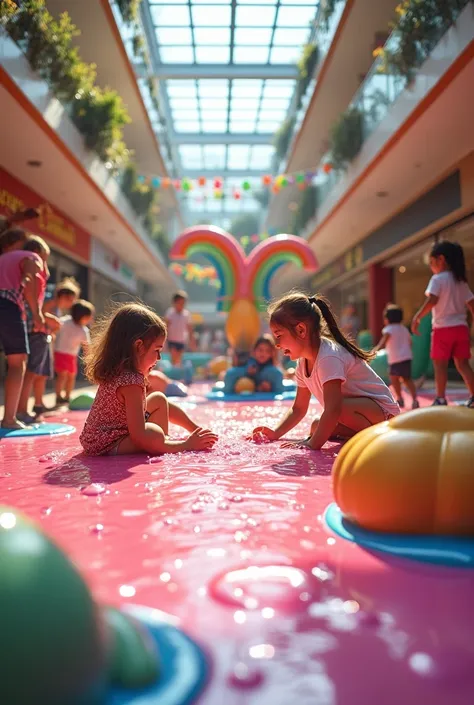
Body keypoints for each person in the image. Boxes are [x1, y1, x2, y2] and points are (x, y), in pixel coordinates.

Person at [250, 292, 399, 450]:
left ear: (301, 330)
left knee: (331, 415)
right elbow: (299, 408)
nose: (277, 344)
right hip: (360, 414)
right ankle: (364, 436)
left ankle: (377, 436)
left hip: (385, 416)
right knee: (316, 426)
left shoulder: (329, 358)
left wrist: (312, 444)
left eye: (279, 335)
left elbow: (334, 408)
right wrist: (275, 433)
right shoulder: (303, 363)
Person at [80, 303, 217, 456]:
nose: (159, 357)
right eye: (157, 350)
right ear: (139, 346)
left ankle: (195, 430)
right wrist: (187, 444)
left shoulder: (123, 372)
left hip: (108, 435)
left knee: (158, 399)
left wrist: (197, 432)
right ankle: (170, 444)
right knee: (155, 434)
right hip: (106, 444)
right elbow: (139, 436)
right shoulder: (131, 382)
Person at [412, 240, 474, 407]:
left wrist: (417, 316)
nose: (431, 267)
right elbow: (472, 304)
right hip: (461, 329)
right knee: (463, 364)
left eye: (432, 262)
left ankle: (440, 398)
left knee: (440, 366)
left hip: (442, 330)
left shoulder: (438, 279)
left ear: (441, 259)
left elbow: (432, 300)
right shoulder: (461, 281)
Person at [0, 234, 46, 428]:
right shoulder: (30, 256)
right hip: (8, 305)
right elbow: (30, 278)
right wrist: (37, 315)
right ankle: (9, 419)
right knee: (18, 363)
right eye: (45, 258)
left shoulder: (4, 257)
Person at [16, 237, 59, 424]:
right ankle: (22, 411)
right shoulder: (34, 272)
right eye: (44, 258)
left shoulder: (27, 270)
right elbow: (33, 299)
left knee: (27, 371)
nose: (44, 265)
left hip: (28, 324)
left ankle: (21, 410)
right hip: (35, 327)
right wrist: (41, 317)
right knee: (30, 372)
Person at [374, 304, 419, 410]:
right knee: (407, 379)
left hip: (395, 359)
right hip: (406, 357)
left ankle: (399, 397)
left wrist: (375, 350)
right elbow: (410, 342)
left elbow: (383, 342)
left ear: (388, 319)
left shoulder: (388, 329)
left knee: (394, 379)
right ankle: (415, 399)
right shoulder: (404, 329)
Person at [54, 299, 95, 406]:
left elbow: (86, 346)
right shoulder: (65, 322)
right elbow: (55, 328)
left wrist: (89, 359)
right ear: (79, 315)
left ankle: (67, 396)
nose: (89, 319)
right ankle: (59, 397)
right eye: (87, 317)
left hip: (71, 356)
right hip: (60, 353)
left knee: (71, 376)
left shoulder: (83, 330)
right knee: (62, 375)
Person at [165, 290, 195, 367]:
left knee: (179, 359)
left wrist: (192, 341)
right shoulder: (170, 313)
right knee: (174, 356)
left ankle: (176, 369)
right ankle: (173, 369)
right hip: (172, 339)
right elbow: (166, 326)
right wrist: (164, 339)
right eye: (179, 303)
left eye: (183, 303)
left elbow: (189, 328)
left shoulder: (186, 314)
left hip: (181, 340)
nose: (181, 305)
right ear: (174, 303)